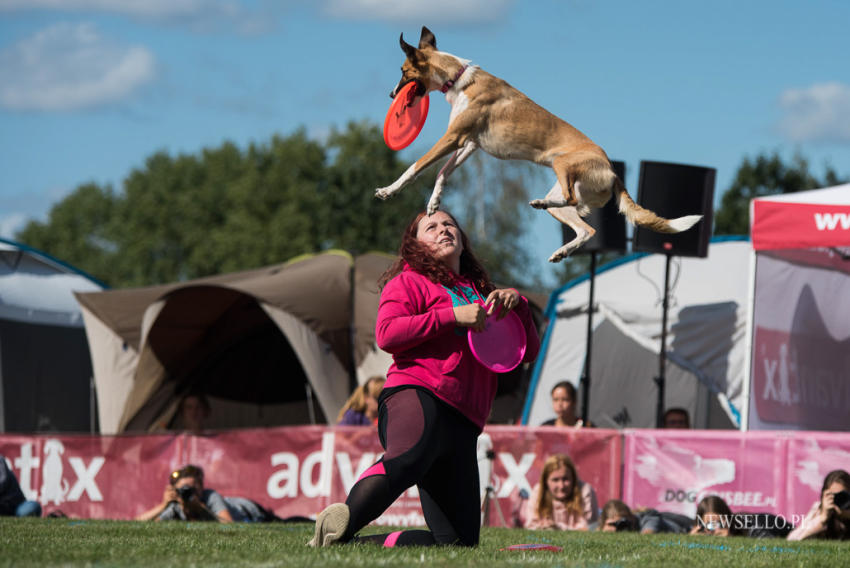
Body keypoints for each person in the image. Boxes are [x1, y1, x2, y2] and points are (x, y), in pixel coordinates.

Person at [308, 210, 540, 548]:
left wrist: (518, 304)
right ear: (416, 245)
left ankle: (347, 545)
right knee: (408, 457)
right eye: (431, 227)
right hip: (418, 393)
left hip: (465, 420)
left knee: (458, 544)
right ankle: (338, 525)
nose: (444, 229)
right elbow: (387, 334)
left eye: (449, 224)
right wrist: (451, 316)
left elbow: (527, 352)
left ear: (463, 240)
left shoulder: (483, 292)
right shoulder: (409, 280)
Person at [136, 464, 275, 523]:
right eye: (183, 489)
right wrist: (163, 506)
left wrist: (201, 509)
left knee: (288, 522)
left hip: (251, 511)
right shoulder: (176, 506)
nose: (188, 493)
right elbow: (139, 524)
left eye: (192, 488)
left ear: (201, 488)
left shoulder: (210, 497)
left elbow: (228, 524)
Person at [519, 453, 598, 531]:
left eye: (565, 479)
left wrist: (557, 527)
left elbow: (589, 528)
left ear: (573, 478)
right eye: (555, 480)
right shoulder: (538, 492)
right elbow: (530, 526)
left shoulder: (585, 491)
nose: (561, 486)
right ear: (545, 481)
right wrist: (544, 527)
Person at [787, 469, 850, 541]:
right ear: (824, 495)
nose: (838, 499)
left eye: (843, 496)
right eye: (833, 496)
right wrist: (822, 519)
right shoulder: (819, 510)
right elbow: (792, 539)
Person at [598, 499, 691, 534]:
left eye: (622, 523)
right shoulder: (604, 525)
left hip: (685, 528)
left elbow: (647, 535)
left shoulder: (648, 518)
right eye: (613, 524)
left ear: (631, 518)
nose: (619, 527)